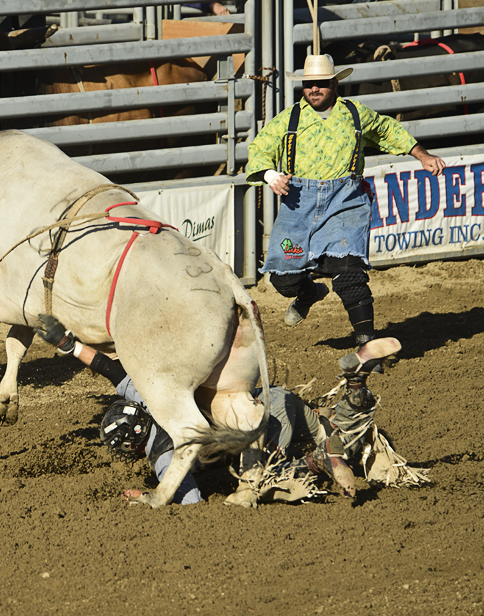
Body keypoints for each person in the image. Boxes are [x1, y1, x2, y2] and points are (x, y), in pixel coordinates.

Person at [33, 314, 376, 505]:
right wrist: (67, 344)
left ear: (136, 443)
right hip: (270, 397)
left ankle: (316, 460)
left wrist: (148, 495)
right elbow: (106, 367)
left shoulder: (165, 458)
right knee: (331, 429)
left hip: (262, 436)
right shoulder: (147, 395)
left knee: (269, 486)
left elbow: (193, 501)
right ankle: (350, 397)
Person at [246, 54, 445, 350]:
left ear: (335, 84)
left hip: (345, 202)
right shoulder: (289, 119)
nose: (314, 90)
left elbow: (387, 130)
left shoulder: (355, 114)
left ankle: (367, 346)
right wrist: (270, 174)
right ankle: (308, 293)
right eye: (309, 85)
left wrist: (422, 155)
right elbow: (259, 148)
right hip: (298, 205)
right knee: (283, 279)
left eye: (321, 84)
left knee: (349, 273)